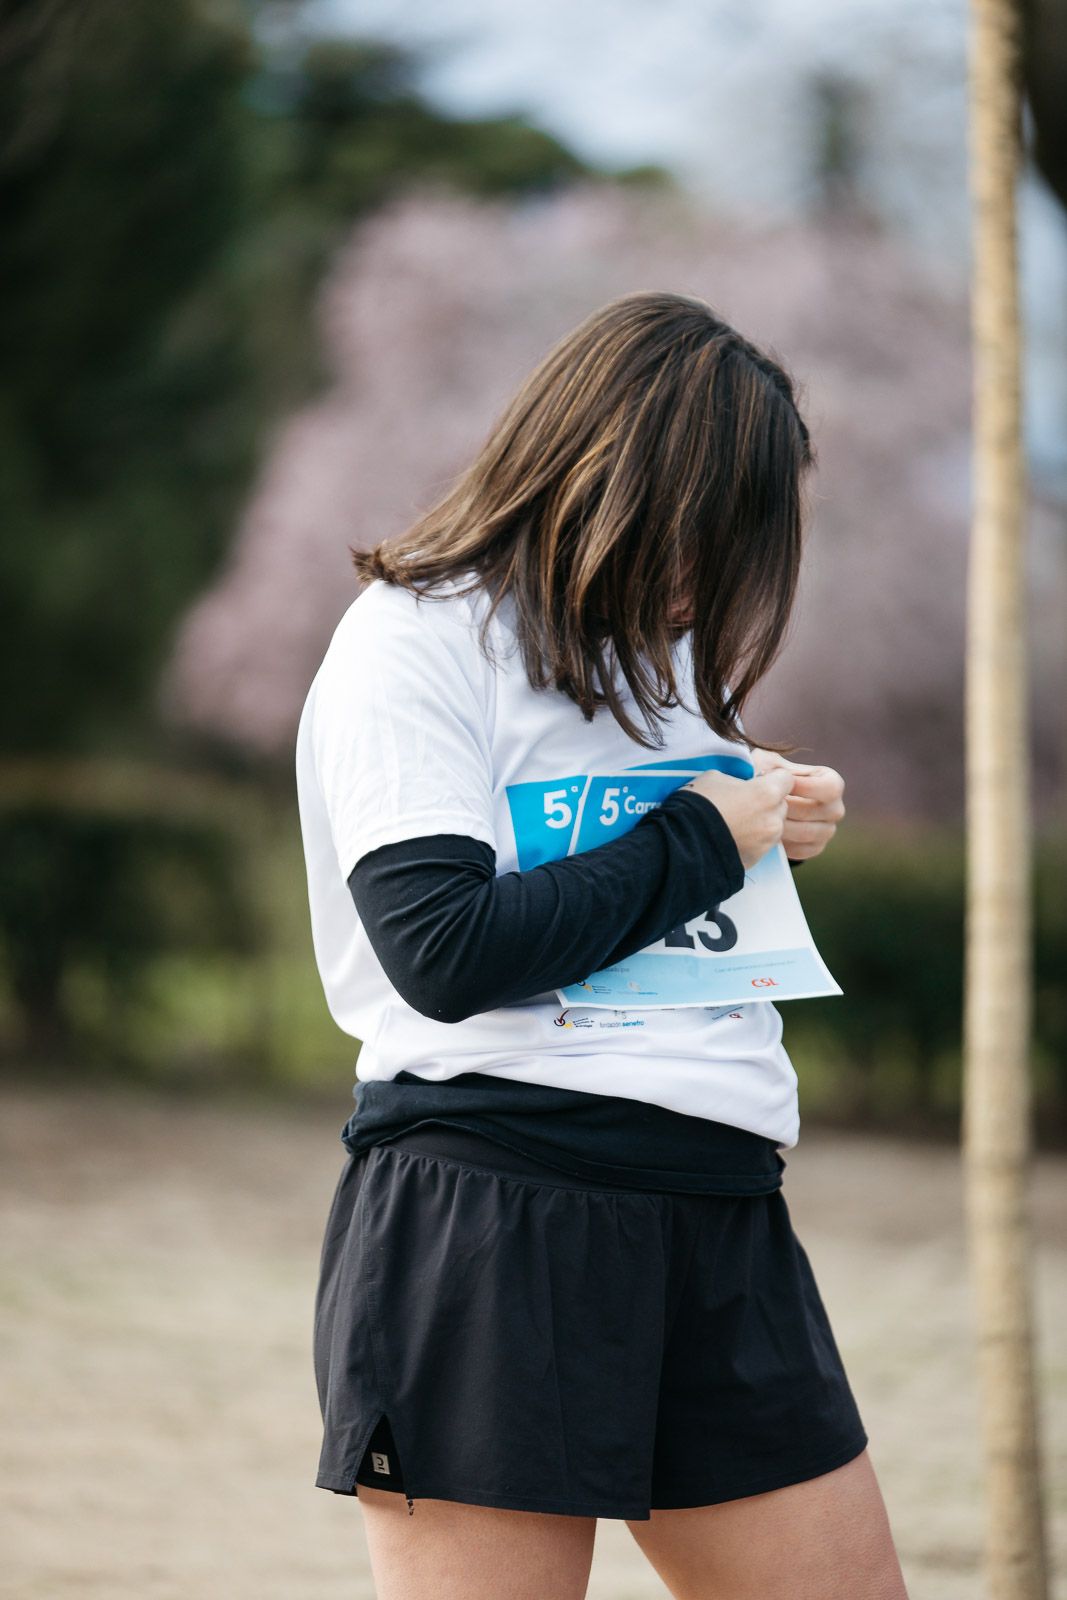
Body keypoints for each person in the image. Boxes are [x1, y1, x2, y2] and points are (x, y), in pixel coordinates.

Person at [295, 290, 909, 1599]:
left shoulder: (666, 665)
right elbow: (442, 948)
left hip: (722, 1214)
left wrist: (769, 813)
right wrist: (698, 835)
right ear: (604, 479)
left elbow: (653, 885)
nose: (709, 586)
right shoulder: (418, 638)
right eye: (701, 539)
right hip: (497, 1219)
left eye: (742, 552)